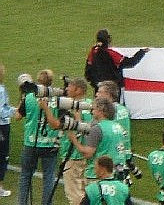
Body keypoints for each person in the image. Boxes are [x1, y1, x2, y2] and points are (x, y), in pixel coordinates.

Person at [16, 69, 60, 205]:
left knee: (25, 176)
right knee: (49, 177)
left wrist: (22, 97)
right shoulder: (57, 97)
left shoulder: (29, 96)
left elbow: (17, 116)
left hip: (31, 142)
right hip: (50, 143)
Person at [63, 98, 126, 182]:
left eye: (93, 109)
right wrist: (78, 119)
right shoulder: (118, 127)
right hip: (116, 173)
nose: (91, 112)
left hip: (97, 175)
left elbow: (88, 153)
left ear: (101, 111)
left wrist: (74, 140)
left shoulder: (97, 129)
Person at [84, 29, 150, 98]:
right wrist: (141, 52)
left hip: (99, 88)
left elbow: (88, 71)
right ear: (108, 39)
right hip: (113, 89)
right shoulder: (111, 53)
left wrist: (95, 83)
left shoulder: (93, 52)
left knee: (100, 106)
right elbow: (130, 62)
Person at [0, 63, 15, 198]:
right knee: (2, 156)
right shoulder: (1, 90)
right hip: (2, 126)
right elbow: (1, 110)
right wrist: (15, 111)